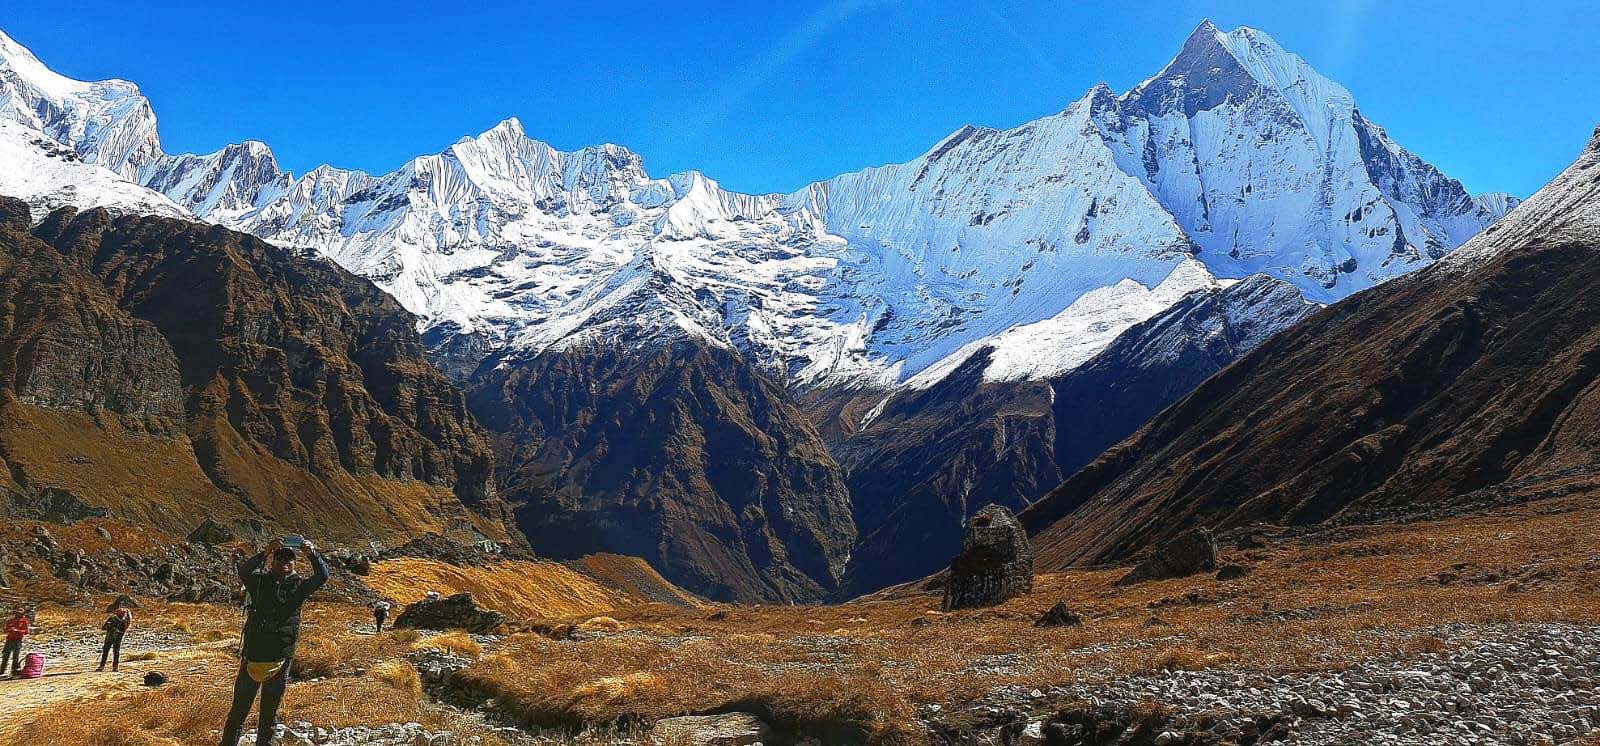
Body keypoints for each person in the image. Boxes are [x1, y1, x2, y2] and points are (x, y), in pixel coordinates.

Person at [219, 538, 328, 746]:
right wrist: (265, 551)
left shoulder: (300, 586)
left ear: (295, 563)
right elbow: (243, 571)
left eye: (289, 558)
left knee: (268, 715)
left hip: (280, 656)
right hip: (253, 655)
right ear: (272, 561)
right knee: (239, 711)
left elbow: (322, 576)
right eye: (279, 557)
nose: (284, 561)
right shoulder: (259, 581)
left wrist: (312, 553)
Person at [98, 604, 133, 672]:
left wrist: (119, 632)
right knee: (105, 652)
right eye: (122, 613)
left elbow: (124, 629)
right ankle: (102, 666)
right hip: (109, 637)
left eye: (124, 614)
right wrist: (111, 627)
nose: (123, 615)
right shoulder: (112, 618)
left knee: (116, 653)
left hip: (118, 639)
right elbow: (104, 627)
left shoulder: (124, 621)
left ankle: (115, 667)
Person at [2, 607, 31, 677]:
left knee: (15, 656)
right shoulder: (10, 621)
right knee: (5, 655)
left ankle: (14, 671)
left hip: (18, 640)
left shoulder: (24, 621)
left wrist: (18, 631)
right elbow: (5, 630)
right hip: (9, 640)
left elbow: (27, 632)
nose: (18, 614)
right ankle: (2, 670)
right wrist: (10, 630)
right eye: (17, 613)